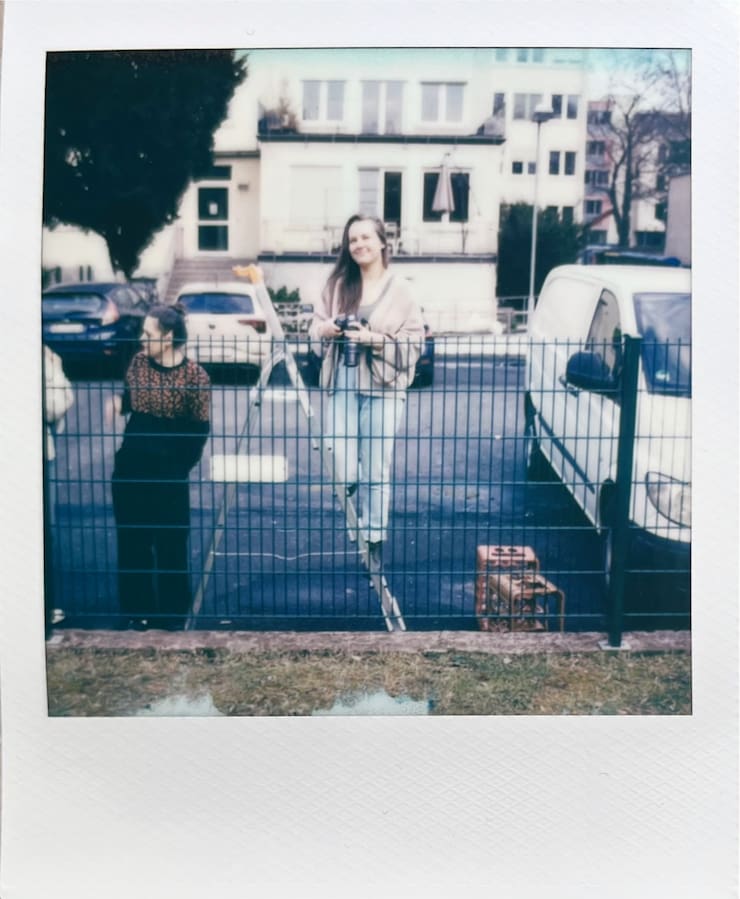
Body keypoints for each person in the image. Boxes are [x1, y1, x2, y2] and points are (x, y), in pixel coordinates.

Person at [309, 214, 425, 557]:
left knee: (376, 466)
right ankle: (353, 498)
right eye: (352, 240)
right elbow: (314, 331)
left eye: (365, 238)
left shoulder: (402, 290)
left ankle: (372, 535)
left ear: (383, 242)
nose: (358, 245)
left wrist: (373, 339)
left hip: (384, 387)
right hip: (343, 381)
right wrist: (325, 329)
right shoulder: (336, 287)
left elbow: (415, 344)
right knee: (339, 461)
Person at [106, 304, 210, 630]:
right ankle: (137, 610)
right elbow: (132, 397)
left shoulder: (195, 377)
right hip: (131, 468)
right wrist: (119, 403)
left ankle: (172, 615)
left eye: (148, 333)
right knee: (133, 541)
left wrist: (180, 467)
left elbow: (199, 430)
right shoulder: (138, 363)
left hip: (169, 473)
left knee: (171, 543)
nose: (142, 339)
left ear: (168, 337)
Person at [43, 344, 74, 634]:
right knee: (41, 531)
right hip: (36, 453)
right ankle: (43, 605)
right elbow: (55, 405)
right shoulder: (41, 356)